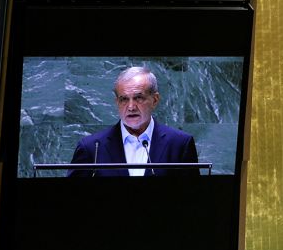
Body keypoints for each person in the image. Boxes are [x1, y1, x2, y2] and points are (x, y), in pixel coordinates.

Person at [69, 66, 199, 177]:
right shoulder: (91, 148)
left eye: (138, 98)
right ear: (117, 102)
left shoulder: (180, 144)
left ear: (155, 100)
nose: (131, 107)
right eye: (124, 99)